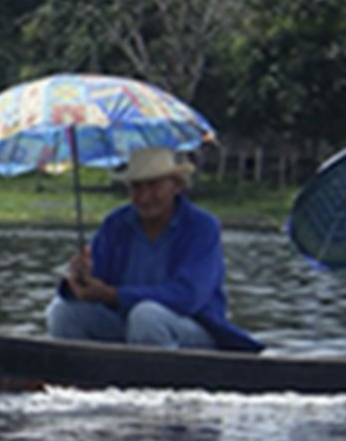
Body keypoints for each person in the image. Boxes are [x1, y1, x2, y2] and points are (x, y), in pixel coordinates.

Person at [45, 147, 262, 352]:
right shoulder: (116, 223)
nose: (145, 196)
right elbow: (96, 284)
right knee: (62, 311)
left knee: (146, 316)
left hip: (189, 330)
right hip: (125, 326)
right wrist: (79, 279)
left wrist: (115, 295)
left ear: (176, 185)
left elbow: (189, 295)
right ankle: (82, 381)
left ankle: (153, 387)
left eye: (153, 186)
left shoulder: (202, 227)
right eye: (137, 187)